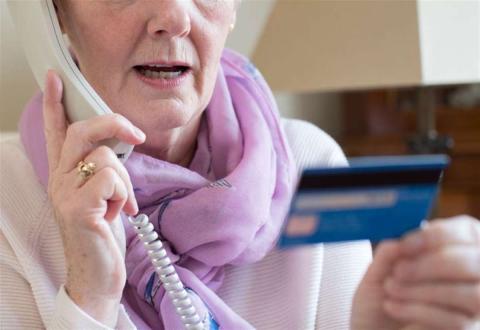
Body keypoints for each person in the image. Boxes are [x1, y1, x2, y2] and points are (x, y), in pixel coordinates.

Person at [1, 1, 479, 329]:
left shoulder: (312, 163)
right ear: (53, 14)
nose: (173, 16)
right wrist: (89, 298)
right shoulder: (8, 195)